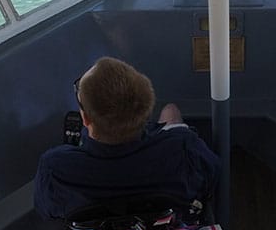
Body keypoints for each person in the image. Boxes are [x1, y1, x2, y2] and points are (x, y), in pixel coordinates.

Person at [33, 56, 221, 219]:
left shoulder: (55, 168)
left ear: (86, 118)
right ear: (146, 109)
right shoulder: (184, 150)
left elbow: (47, 210)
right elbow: (211, 177)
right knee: (171, 111)